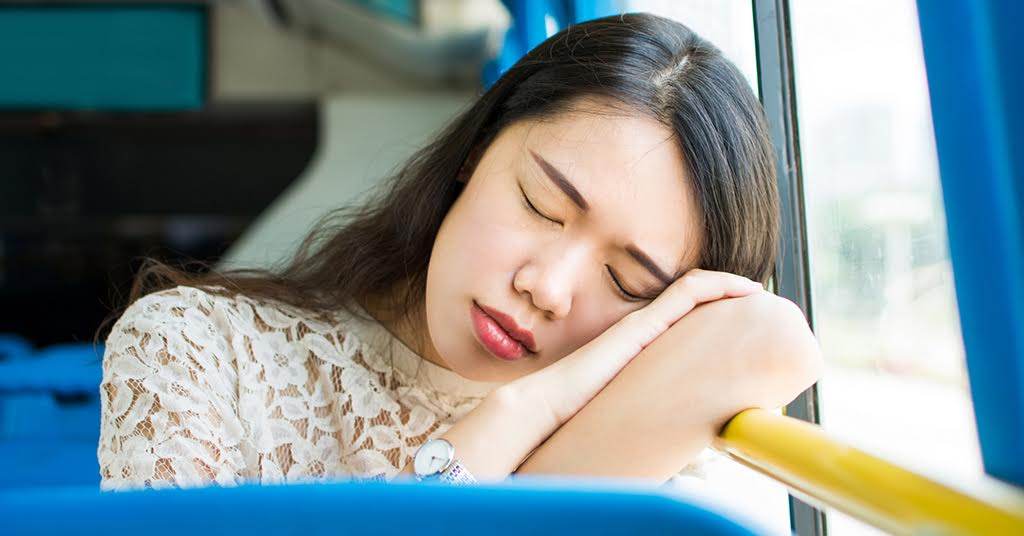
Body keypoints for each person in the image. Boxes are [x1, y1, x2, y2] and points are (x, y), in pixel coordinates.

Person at [96, 12, 822, 491]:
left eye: (627, 282)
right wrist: (520, 414)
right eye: (542, 205)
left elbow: (771, 340)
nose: (549, 287)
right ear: (476, 150)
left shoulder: (649, 447)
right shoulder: (197, 348)